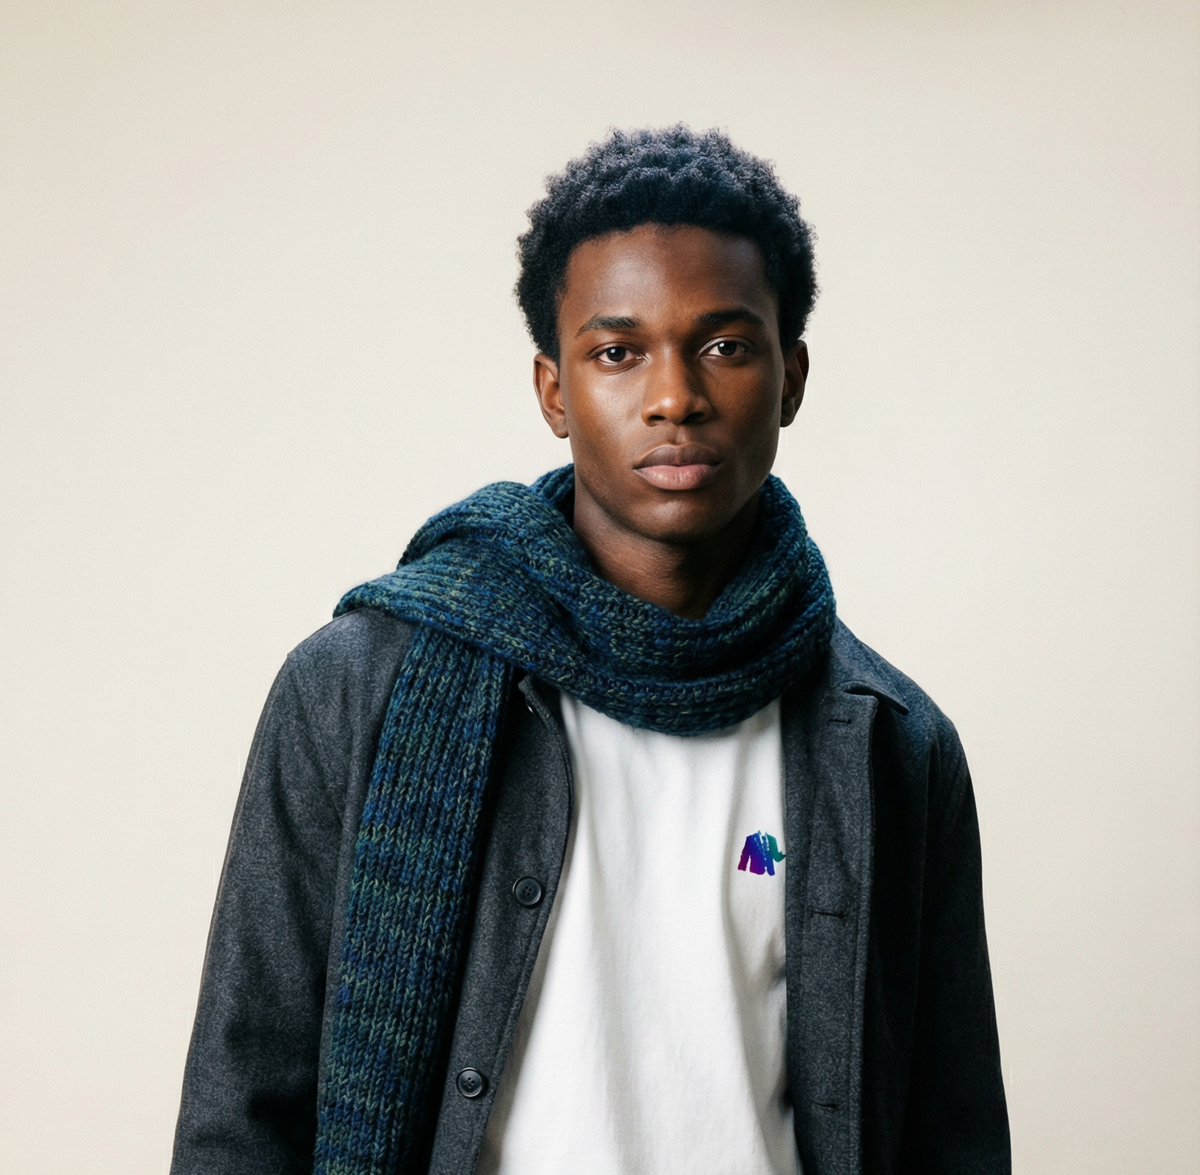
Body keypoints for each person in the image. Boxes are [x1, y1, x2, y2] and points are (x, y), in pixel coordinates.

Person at [170, 126, 1010, 1175]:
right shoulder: (353, 687)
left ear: (791, 377)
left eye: (725, 344)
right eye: (618, 352)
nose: (674, 397)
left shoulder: (890, 742)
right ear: (554, 389)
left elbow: (952, 1134)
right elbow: (244, 1104)